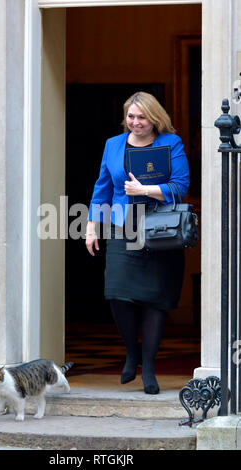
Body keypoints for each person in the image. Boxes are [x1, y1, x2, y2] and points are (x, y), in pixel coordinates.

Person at [85, 91, 190, 394]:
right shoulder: (113, 145)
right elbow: (102, 189)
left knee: (156, 301)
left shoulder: (171, 143)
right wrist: (91, 227)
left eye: (142, 117)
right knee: (117, 294)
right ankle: (132, 352)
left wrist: (146, 190)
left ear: (154, 118)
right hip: (123, 226)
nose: (135, 122)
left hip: (162, 229)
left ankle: (149, 367)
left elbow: (180, 186)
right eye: (131, 116)